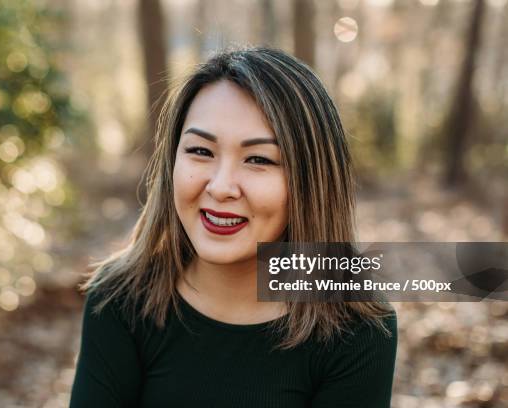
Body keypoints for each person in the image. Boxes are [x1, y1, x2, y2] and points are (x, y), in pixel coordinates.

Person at [69, 46, 398, 408]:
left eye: (258, 159)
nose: (221, 187)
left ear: (311, 181)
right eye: (201, 151)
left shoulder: (358, 329)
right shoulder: (119, 300)